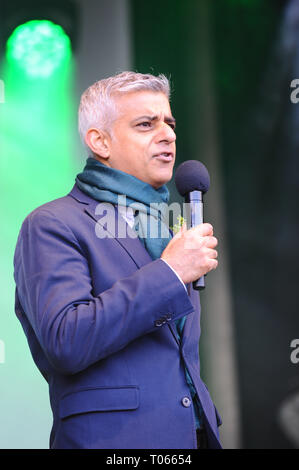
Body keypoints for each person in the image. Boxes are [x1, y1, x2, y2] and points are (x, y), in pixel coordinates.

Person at [13, 71, 222, 449]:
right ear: (100, 141)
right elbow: (66, 340)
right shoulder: (52, 224)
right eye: (146, 124)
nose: (169, 135)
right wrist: (171, 273)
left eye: (170, 124)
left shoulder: (169, 227)